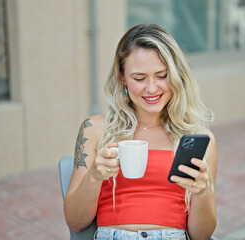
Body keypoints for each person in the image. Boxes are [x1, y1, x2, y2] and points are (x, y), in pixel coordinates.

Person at [64, 24, 217, 240]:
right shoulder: (95, 129)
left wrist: (202, 192)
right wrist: (94, 177)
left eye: (162, 75)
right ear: (122, 78)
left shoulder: (197, 138)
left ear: (176, 76)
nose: (152, 88)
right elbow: (75, 221)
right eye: (139, 78)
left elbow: (202, 235)